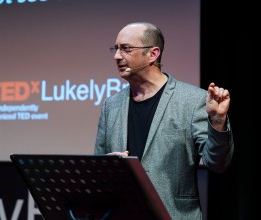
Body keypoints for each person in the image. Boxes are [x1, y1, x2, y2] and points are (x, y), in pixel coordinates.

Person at [94, 22, 234, 219]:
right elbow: (98, 168)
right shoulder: (112, 105)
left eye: (126, 49)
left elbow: (218, 163)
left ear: (153, 54)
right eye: (115, 49)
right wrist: (109, 167)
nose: (117, 56)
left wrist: (218, 121)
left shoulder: (192, 101)